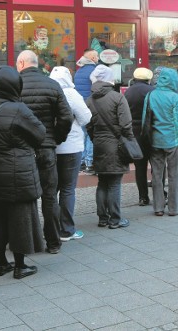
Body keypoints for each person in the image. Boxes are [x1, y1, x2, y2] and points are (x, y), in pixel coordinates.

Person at [0, 66, 46, 279]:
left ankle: (1, 264)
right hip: (18, 171)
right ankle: (20, 265)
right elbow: (40, 133)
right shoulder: (18, 109)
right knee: (20, 218)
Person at [17, 50, 73, 254]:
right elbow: (66, 117)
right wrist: (56, 137)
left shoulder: (15, 85)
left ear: (21, 63)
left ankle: (26, 242)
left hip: (22, 149)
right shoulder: (52, 84)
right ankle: (53, 242)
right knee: (50, 196)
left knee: (23, 197)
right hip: (47, 148)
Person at [86, 64, 132, 229]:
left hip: (99, 144)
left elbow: (88, 125)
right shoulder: (117, 97)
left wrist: (95, 139)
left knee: (102, 182)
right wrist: (129, 140)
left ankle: (102, 218)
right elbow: (126, 124)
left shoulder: (89, 100)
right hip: (115, 144)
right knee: (114, 183)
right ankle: (115, 219)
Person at [50, 66, 92, 242]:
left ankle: (50, 228)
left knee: (52, 189)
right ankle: (66, 229)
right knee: (67, 189)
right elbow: (86, 117)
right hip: (71, 147)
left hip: (51, 146)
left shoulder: (48, 91)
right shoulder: (72, 94)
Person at [143, 68, 178, 217]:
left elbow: (145, 120)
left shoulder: (150, 95)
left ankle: (158, 207)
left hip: (155, 141)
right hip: (172, 141)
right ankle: (173, 208)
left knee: (156, 175)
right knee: (174, 175)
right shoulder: (175, 97)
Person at [124, 67, 155, 206]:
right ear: (149, 79)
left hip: (134, 132)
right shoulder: (152, 91)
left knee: (140, 167)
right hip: (151, 131)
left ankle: (143, 197)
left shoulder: (128, 92)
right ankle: (160, 193)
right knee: (157, 164)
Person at [74, 48, 99, 174]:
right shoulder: (95, 71)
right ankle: (90, 162)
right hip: (91, 106)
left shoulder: (78, 72)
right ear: (93, 58)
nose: (98, 58)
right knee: (91, 134)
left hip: (80, 107)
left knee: (83, 133)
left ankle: (81, 162)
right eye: (97, 56)